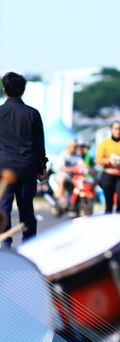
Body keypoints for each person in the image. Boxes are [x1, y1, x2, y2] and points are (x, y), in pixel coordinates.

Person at [0, 72, 47, 246]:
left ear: (4, 89)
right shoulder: (32, 113)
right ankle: (29, 244)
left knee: (3, 207)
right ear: (23, 90)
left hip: (3, 167)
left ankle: (5, 243)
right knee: (26, 207)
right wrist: (42, 168)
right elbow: (39, 144)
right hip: (27, 167)